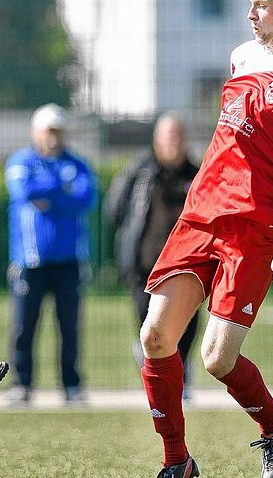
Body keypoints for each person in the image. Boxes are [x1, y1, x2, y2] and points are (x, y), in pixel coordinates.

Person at [140, 0, 273, 478]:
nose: (250, 15)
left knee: (217, 359)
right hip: (203, 213)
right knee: (156, 336)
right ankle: (177, 463)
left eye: (261, 5)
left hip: (255, 228)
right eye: (249, 4)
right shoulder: (242, 56)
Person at [4, 103, 97, 405]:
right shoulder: (21, 161)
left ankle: (71, 386)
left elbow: (85, 198)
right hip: (30, 261)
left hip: (69, 262)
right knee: (23, 326)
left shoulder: (77, 164)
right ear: (36, 132)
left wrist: (49, 195)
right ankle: (22, 384)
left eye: (58, 131)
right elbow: (25, 193)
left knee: (69, 327)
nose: (53, 137)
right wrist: (61, 188)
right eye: (48, 131)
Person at [106, 113, 200, 397]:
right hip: (145, 266)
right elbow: (115, 211)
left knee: (186, 324)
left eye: (178, 136)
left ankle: (180, 376)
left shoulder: (197, 174)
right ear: (156, 139)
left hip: (186, 267)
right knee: (149, 328)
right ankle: (160, 380)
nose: (174, 141)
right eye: (168, 135)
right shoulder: (138, 173)